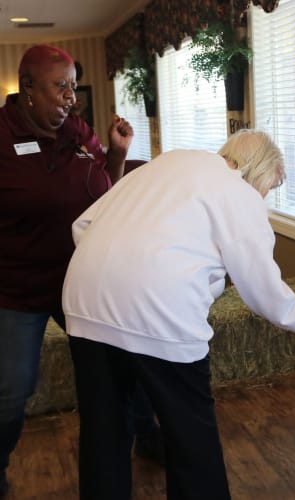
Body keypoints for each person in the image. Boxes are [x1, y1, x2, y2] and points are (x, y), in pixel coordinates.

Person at [62, 129, 295, 500]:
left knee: (103, 435)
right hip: (160, 315)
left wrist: (120, 279)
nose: (265, 199)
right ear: (256, 171)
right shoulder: (238, 193)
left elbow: (82, 225)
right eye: (268, 188)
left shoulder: (170, 161)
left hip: (83, 300)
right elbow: (270, 299)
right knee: (192, 443)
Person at [0, 44, 157, 498]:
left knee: (122, 360)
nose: (70, 96)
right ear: (27, 88)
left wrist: (117, 153)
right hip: (18, 289)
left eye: (73, 85)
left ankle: (148, 437)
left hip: (80, 282)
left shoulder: (77, 130)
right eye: (60, 86)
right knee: (12, 389)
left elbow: (103, 190)